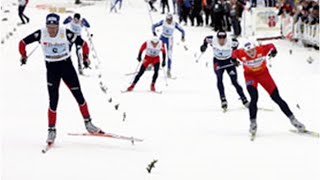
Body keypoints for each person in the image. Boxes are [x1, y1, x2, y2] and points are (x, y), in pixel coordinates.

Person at [18, 13, 104, 145]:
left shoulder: (65, 32)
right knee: (53, 100)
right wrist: (23, 56)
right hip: (52, 70)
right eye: (49, 27)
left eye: (54, 27)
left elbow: (84, 44)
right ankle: (51, 130)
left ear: (58, 25)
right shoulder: (41, 33)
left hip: (66, 67)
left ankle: (88, 123)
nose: (51, 30)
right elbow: (22, 43)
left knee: (79, 96)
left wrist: (86, 58)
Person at [231, 40, 306, 135]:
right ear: (245, 51)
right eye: (248, 52)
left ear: (255, 48)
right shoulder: (241, 53)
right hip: (250, 76)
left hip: (264, 75)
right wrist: (234, 60)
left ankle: (294, 120)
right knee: (254, 98)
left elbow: (271, 45)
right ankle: (253, 123)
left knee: (276, 98)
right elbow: (233, 53)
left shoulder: (261, 49)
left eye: (253, 50)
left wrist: (274, 51)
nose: (251, 53)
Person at [200, 30, 249, 111]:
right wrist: (203, 46)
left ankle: (244, 99)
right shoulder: (212, 39)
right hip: (218, 62)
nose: (222, 40)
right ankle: (223, 99)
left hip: (228, 61)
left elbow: (235, 50)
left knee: (234, 81)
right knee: (219, 79)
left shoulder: (232, 42)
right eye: (220, 38)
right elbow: (205, 39)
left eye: (223, 38)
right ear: (217, 38)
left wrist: (234, 60)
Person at [152, 13, 185, 78]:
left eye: (170, 20)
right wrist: (154, 32)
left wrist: (183, 37)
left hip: (170, 39)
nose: (169, 21)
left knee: (169, 55)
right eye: (168, 20)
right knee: (155, 50)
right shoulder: (163, 21)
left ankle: (168, 71)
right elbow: (153, 26)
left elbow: (182, 30)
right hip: (162, 37)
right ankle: (151, 64)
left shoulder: (174, 23)